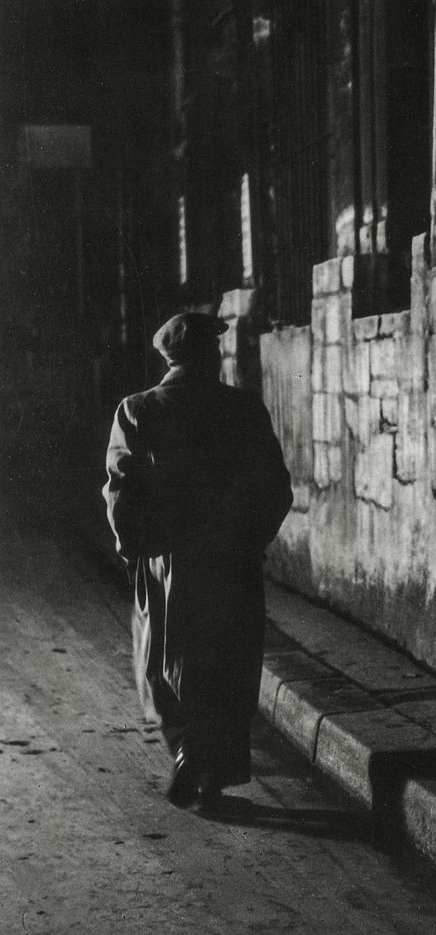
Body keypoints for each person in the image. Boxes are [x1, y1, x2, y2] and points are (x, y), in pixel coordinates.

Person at [103, 312, 293, 810]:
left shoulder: (137, 408)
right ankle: (210, 777)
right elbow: (274, 486)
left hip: (167, 562)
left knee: (169, 657)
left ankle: (188, 754)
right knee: (228, 663)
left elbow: (120, 491)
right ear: (210, 355)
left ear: (166, 357)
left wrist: (134, 551)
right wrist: (252, 539)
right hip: (230, 559)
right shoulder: (242, 408)